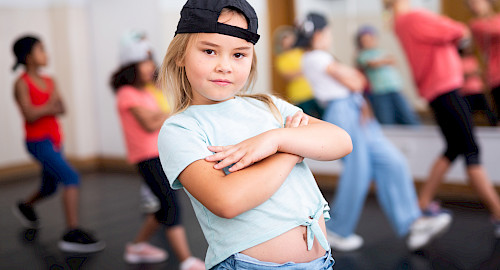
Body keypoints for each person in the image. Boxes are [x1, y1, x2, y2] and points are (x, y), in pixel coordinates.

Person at [157, 1, 353, 269]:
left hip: (322, 262)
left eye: (239, 55)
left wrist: (275, 140)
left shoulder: (268, 106)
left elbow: (341, 141)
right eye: (210, 51)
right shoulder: (180, 129)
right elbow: (227, 201)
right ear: (180, 55)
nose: (225, 66)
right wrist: (291, 150)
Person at [298, 12, 452, 252]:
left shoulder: (320, 57)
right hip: (343, 112)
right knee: (358, 171)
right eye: (327, 32)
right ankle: (337, 229)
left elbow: (356, 82)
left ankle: (413, 224)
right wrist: (356, 80)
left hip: (355, 108)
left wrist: (358, 86)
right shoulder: (315, 57)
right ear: (320, 34)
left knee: (393, 162)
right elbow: (356, 81)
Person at [385, 0, 500, 237]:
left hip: (437, 90)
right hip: (445, 88)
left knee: (454, 147)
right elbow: (457, 30)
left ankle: (423, 203)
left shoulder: (400, 23)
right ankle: (498, 213)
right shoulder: (414, 18)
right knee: (470, 150)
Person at [111, 31, 205, 269]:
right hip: (146, 157)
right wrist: (173, 109)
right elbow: (150, 123)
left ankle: (137, 246)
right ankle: (186, 260)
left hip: (161, 153)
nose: (149, 67)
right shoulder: (126, 94)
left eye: (150, 61)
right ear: (131, 67)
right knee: (171, 205)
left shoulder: (149, 91)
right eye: (143, 62)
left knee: (164, 206)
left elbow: (165, 104)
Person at [10, 35, 105, 253]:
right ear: (28, 57)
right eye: (41, 50)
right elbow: (29, 114)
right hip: (37, 142)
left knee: (49, 187)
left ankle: (25, 206)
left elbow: (62, 109)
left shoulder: (51, 80)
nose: (46, 54)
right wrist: (49, 107)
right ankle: (71, 232)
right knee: (71, 177)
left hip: (55, 140)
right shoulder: (21, 83)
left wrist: (47, 108)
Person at [356, 25, 420, 125]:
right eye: (364, 40)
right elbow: (373, 63)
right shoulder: (362, 55)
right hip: (379, 92)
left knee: (408, 116)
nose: (368, 42)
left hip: (395, 88)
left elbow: (393, 60)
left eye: (370, 39)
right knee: (386, 119)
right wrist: (384, 61)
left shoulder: (382, 52)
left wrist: (381, 61)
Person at [274, 26, 324, 119]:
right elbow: (289, 76)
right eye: (285, 38)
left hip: (313, 92)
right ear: (281, 42)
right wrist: (307, 69)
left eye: (290, 38)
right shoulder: (281, 58)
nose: (289, 41)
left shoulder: (301, 51)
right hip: (299, 96)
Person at [465, 0, 500, 120]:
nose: (474, 7)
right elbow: (495, 29)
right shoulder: (476, 24)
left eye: (476, 2)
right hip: (496, 75)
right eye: (470, 5)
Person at [458, 43, 498, 126]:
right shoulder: (459, 60)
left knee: (488, 109)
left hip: (478, 90)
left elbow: (483, 73)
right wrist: (472, 73)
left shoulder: (476, 59)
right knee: (465, 112)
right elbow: (459, 76)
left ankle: (495, 123)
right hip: (466, 91)